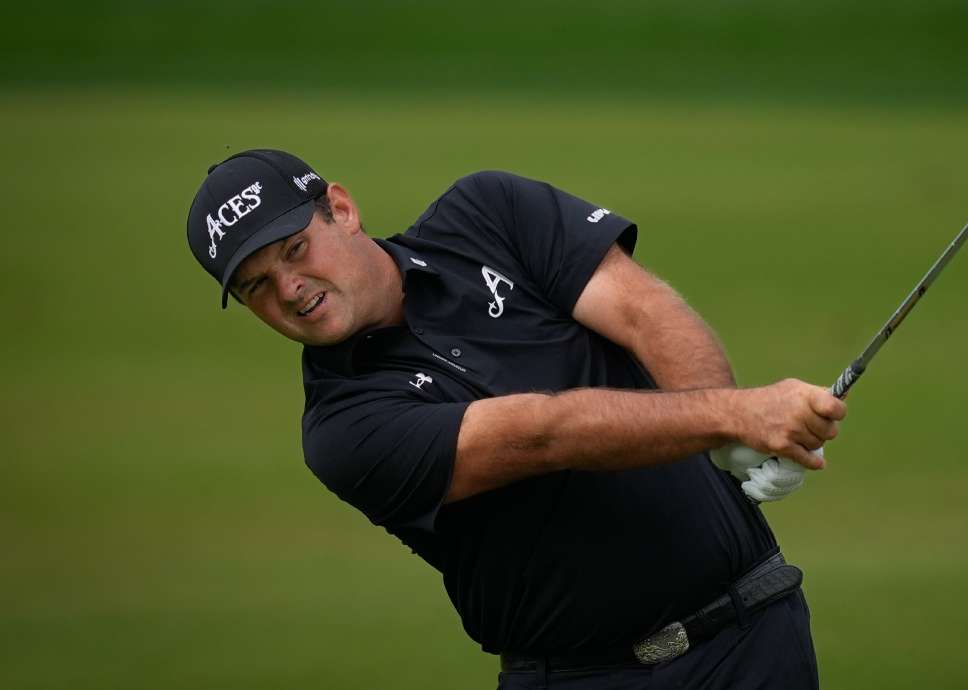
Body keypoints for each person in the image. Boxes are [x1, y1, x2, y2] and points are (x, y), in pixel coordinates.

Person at [185, 149, 847, 689]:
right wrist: (731, 417)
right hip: (590, 679)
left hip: (761, 635)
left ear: (343, 210)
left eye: (296, 250)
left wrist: (723, 434)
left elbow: (644, 309)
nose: (289, 290)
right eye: (256, 286)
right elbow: (541, 434)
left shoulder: (487, 215)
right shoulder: (343, 430)